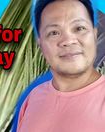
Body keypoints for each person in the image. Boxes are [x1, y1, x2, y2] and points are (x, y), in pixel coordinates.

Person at [17, 0, 105, 132]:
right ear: (40, 43)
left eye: (79, 28)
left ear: (94, 33)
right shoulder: (34, 97)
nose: (68, 41)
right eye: (54, 33)